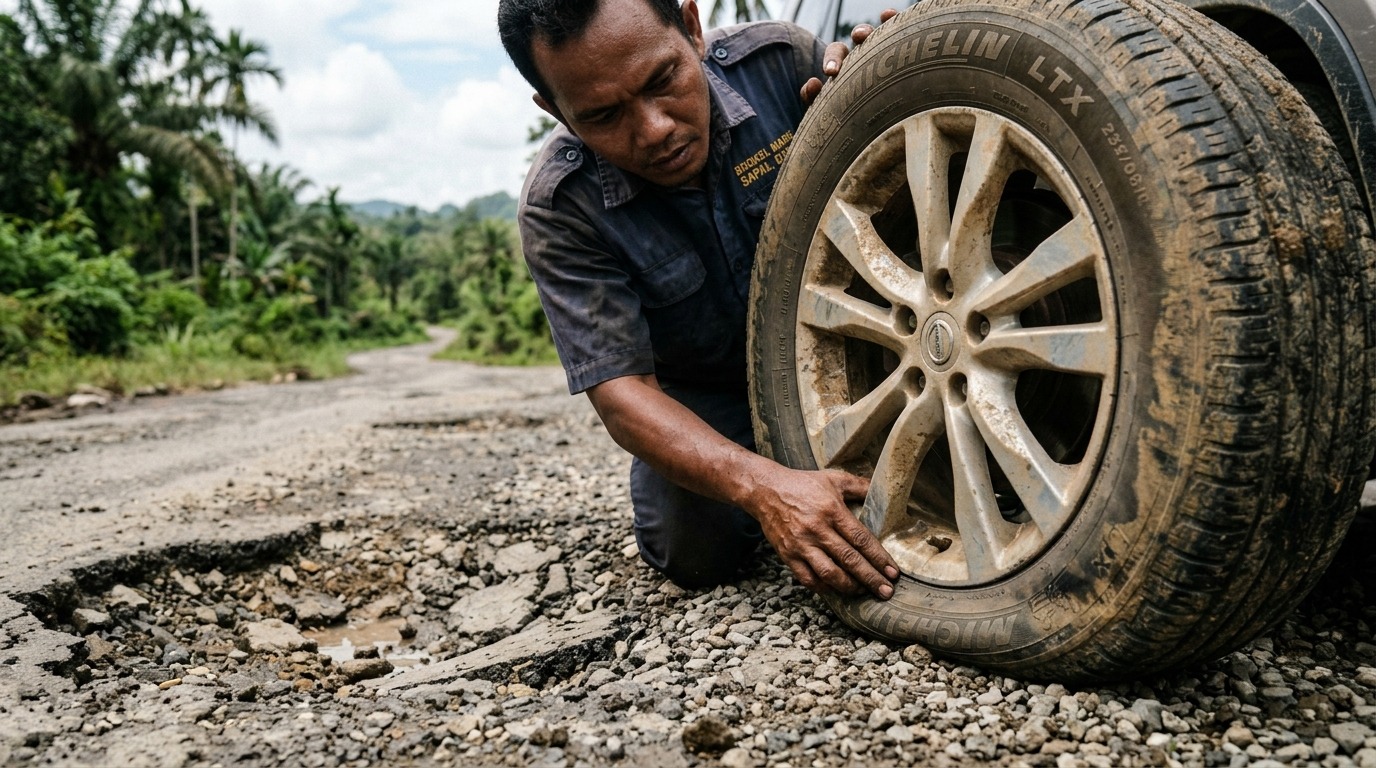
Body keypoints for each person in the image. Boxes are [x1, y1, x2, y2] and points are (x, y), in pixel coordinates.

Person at [497, 0, 900, 600]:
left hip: (866, 344)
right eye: (604, 115)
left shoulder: (784, 67)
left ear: (690, 27)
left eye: (663, 81)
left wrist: (890, 68)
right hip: (710, 398)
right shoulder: (561, 208)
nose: (654, 129)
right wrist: (762, 488)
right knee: (691, 554)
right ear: (555, 110)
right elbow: (622, 394)